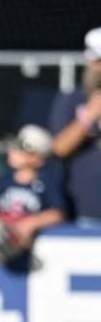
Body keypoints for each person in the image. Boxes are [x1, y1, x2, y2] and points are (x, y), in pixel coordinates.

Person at [0, 125, 66, 259]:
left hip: (30, 244)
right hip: (5, 234)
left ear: (40, 159)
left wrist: (29, 223)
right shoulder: (5, 179)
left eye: (23, 149)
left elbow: (57, 214)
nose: (13, 151)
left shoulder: (46, 182)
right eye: (15, 146)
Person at [48, 27, 101, 225]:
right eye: (98, 61)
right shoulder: (72, 100)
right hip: (84, 210)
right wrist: (90, 115)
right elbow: (59, 148)